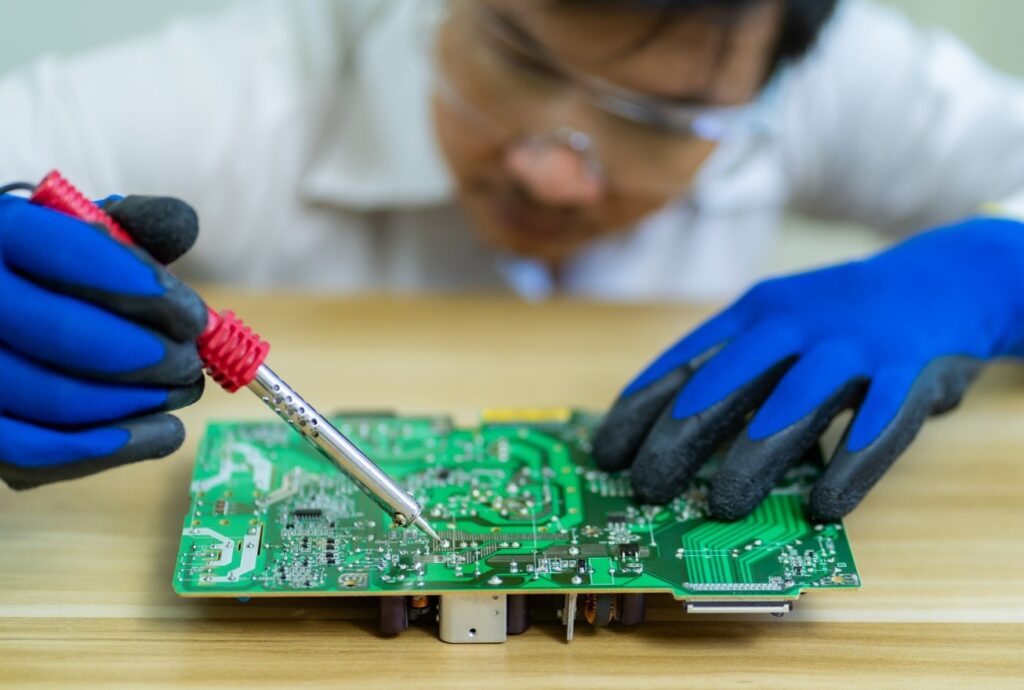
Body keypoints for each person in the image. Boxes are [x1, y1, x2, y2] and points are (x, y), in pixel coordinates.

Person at [0, 0, 1022, 521]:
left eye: (658, 117)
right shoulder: (244, 87)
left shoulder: (821, 65)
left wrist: (991, 265)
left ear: (771, 81)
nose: (552, 172)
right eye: (522, 59)